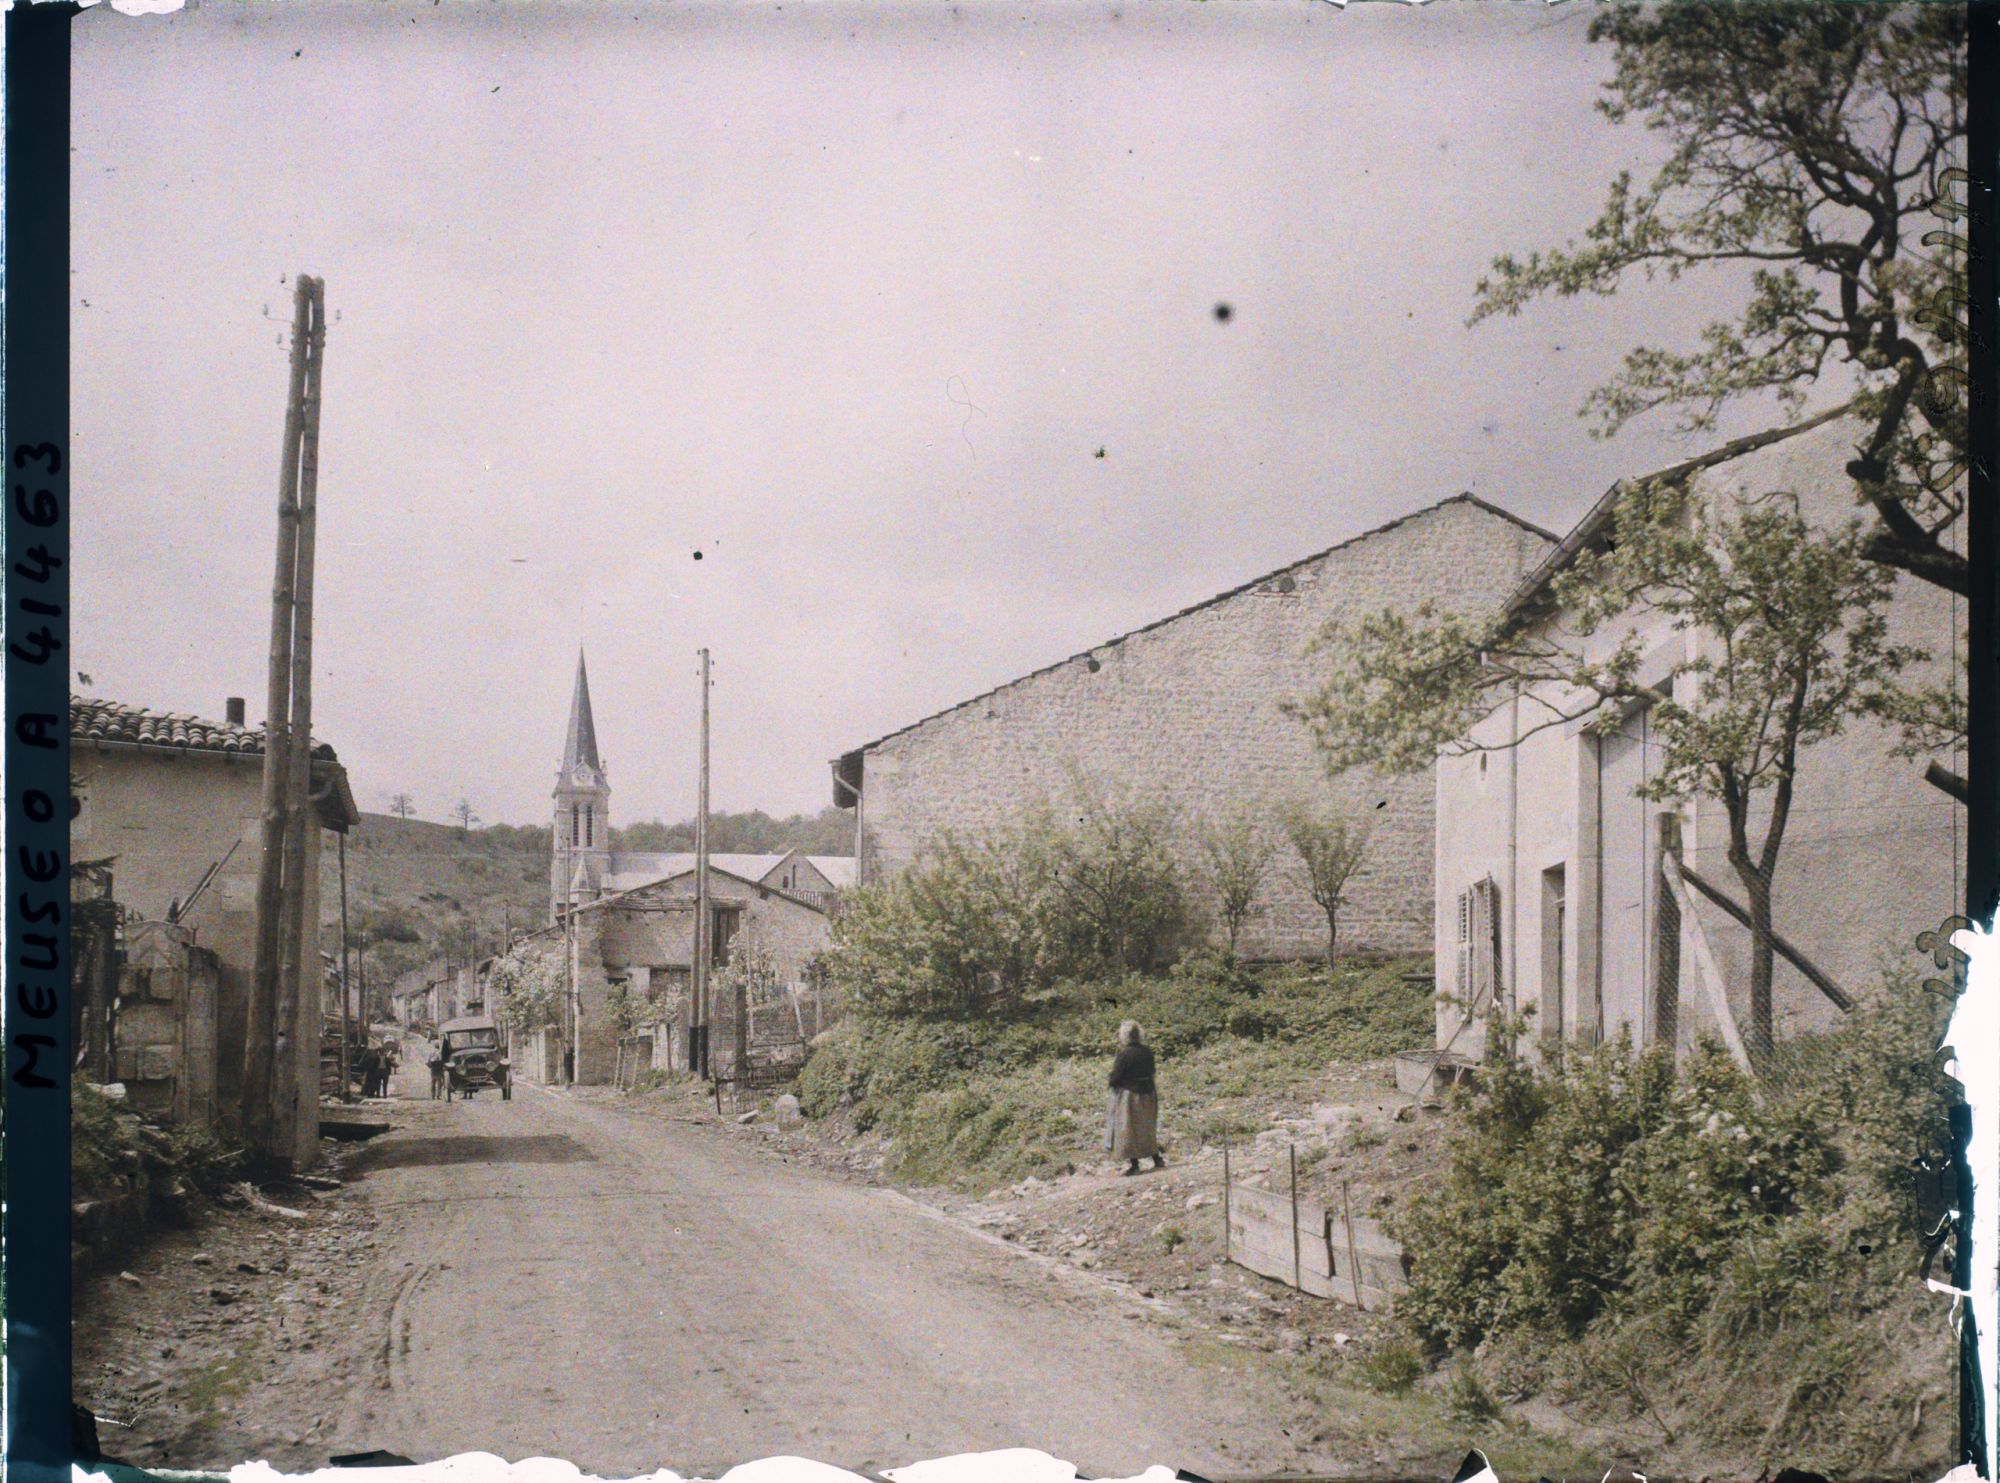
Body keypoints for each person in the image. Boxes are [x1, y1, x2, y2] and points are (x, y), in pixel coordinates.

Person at [1104, 1020, 1164, 1176]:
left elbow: (1116, 1077)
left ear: (1124, 1036)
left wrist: (1113, 1082)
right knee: (1147, 1127)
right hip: (1149, 1092)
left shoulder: (1124, 1054)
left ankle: (1135, 1164)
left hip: (1130, 1094)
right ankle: (1157, 1159)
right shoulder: (1147, 1052)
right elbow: (1152, 1071)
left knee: (1128, 1129)